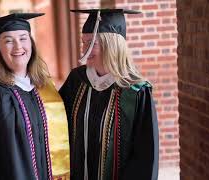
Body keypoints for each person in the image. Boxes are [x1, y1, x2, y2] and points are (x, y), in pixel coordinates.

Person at [0, 13, 70, 180]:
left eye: (23, 38)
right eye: (8, 40)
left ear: (31, 44)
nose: (17, 47)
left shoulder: (44, 87)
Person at [59, 9, 159, 180]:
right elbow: (56, 125)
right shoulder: (77, 81)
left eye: (92, 43)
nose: (85, 49)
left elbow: (145, 156)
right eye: (84, 42)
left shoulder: (136, 92)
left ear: (112, 45)